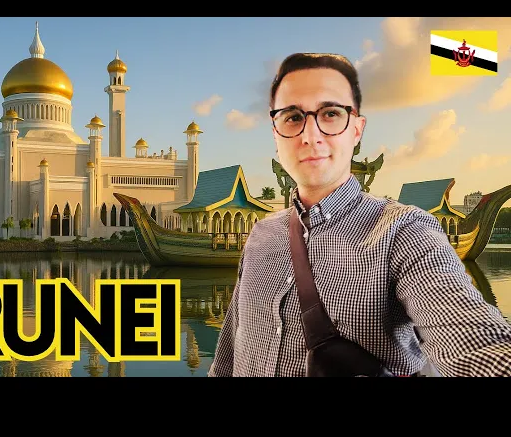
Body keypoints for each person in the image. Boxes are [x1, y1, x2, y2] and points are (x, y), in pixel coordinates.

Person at [208, 52, 511, 377]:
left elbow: (473, 340)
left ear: (356, 129)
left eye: (330, 114)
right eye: (293, 117)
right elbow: (227, 358)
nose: (310, 135)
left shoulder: (403, 233)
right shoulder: (260, 236)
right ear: (275, 134)